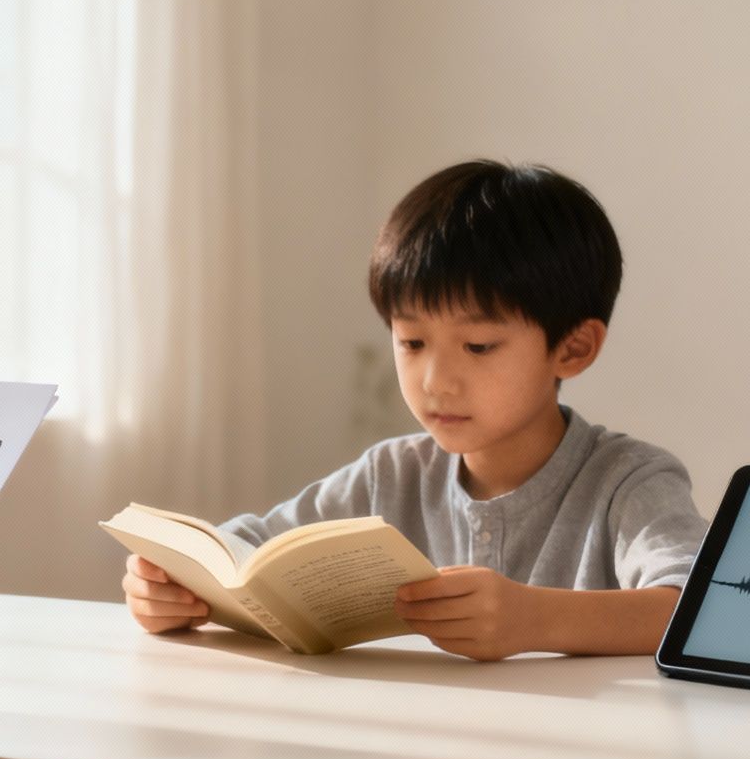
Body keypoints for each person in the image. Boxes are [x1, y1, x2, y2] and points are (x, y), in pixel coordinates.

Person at [121, 160, 709, 661]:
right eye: (411, 343)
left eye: (478, 347)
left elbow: (696, 607)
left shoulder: (628, 482)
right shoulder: (391, 475)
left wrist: (534, 619)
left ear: (572, 348)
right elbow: (247, 550)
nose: (435, 382)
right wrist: (172, 585)